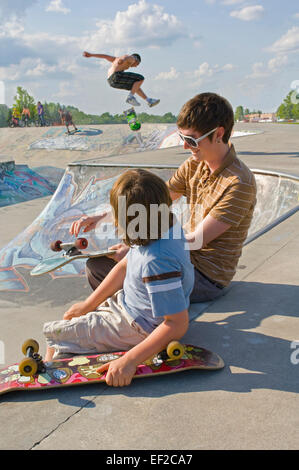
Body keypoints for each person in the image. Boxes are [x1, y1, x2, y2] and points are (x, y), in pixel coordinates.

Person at [70, 93, 257, 303]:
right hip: (181, 258)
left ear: (219, 133)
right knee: (98, 266)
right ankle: (131, 309)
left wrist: (138, 253)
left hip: (206, 277)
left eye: (191, 140)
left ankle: (145, 321)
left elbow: (196, 241)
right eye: (182, 138)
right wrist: (102, 216)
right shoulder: (194, 165)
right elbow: (155, 200)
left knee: (125, 267)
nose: (185, 147)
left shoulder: (238, 183)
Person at [43, 169, 194, 387]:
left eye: (116, 214)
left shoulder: (157, 260)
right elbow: (124, 266)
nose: (113, 219)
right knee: (71, 316)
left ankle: (50, 376)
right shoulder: (161, 226)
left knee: (56, 336)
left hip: (139, 327)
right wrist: (88, 305)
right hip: (129, 305)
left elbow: (177, 323)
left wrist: (130, 360)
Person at [83, 51, 160, 108]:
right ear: (137, 61)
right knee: (140, 78)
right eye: (137, 64)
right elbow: (126, 57)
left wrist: (91, 55)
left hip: (111, 82)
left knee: (135, 86)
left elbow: (105, 56)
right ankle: (130, 97)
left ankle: (148, 100)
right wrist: (123, 60)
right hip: (117, 76)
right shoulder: (133, 59)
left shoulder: (115, 59)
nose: (136, 66)